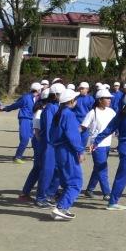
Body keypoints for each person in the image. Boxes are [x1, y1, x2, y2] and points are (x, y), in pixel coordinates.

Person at [18, 84, 62, 204]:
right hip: (43, 143)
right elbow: (38, 132)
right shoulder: (43, 111)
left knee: (40, 168)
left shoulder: (49, 109)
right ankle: (44, 194)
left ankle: (29, 193)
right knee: (44, 169)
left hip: (44, 143)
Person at [49, 88, 85, 220]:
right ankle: (61, 207)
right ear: (71, 101)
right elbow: (73, 135)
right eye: (75, 99)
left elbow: (51, 134)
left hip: (59, 149)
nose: (76, 101)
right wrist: (80, 151)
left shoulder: (59, 113)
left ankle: (63, 207)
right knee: (76, 182)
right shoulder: (69, 114)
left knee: (66, 181)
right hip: (68, 149)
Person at [81, 87, 116, 200]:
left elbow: (117, 123)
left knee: (98, 168)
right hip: (96, 145)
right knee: (102, 168)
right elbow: (83, 127)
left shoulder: (111, 111)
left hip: (107, 144)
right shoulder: (92, 113)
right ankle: (107, 193)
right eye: (107, 98)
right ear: (100, 100)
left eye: (110, 98)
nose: (110, 100)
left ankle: (90, 189)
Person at [0, 82, 42, 163]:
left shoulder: (36, 98)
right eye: (40, 89)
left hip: (32, 120)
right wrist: (5, 108)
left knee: (35, 138)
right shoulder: (26, 97)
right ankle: (17, 157)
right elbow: (16, 105)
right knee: (25, 138)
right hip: (25, 119)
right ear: (38, 90)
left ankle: (38, 156)